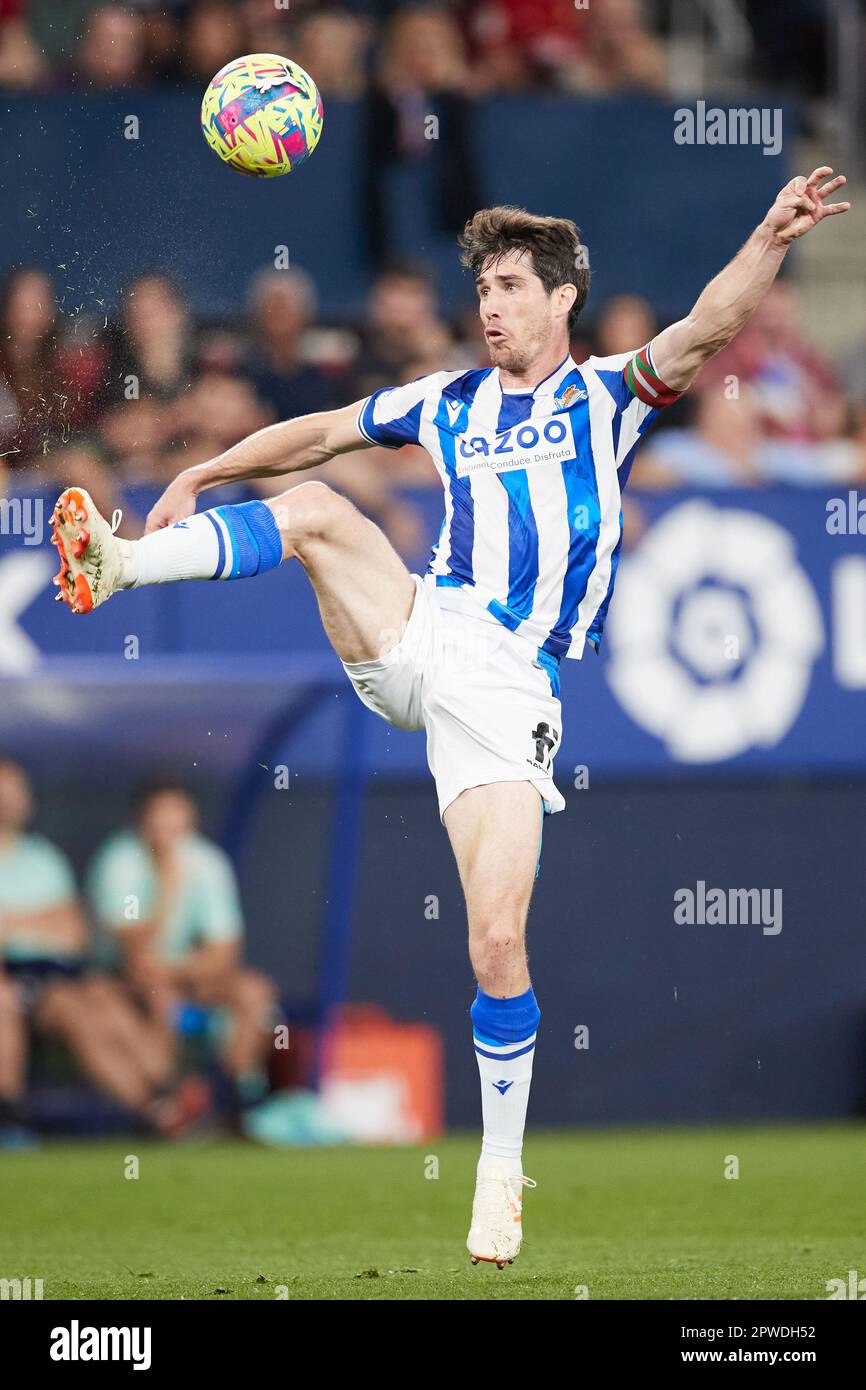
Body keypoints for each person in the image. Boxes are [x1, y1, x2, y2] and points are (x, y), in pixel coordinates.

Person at [51, 166, 849, 1264]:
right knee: (320, 510)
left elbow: (706, 327)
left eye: (512, 284)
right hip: (419, 630)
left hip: (510, 692)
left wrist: (765, 234)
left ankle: (498, 1171)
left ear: (560, 299)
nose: (490, 304)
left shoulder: (606, 395)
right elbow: (324, 431)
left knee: (494, 936)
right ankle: (122, 562)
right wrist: (208, 467)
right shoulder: (446, 400)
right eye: (481, 284)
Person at [0, 761, 205, 1146]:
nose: (8, 802)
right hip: (10, 981)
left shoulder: (42, 858)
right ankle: (9, 1116)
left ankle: (163, 1101)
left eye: (15, 792)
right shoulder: (121, 859)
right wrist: (40, 921)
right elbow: (127, 939)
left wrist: (12, 922)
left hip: (54, 975)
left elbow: (73, 932)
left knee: (99, 1006)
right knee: (24, 1004)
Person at [87, 781, 279, 1119]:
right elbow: (133, 949)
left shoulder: (207, 861)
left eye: (177, 823)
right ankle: (169, 1103)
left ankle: (238, 1098)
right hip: (125, 979)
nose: (168, 834)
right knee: (159, 996)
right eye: (159, 822)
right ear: (141, 821)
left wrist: (178, 969)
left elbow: (224, 951)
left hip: (182, 974)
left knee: (254, 992)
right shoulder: (119, 860)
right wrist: (166, 888)